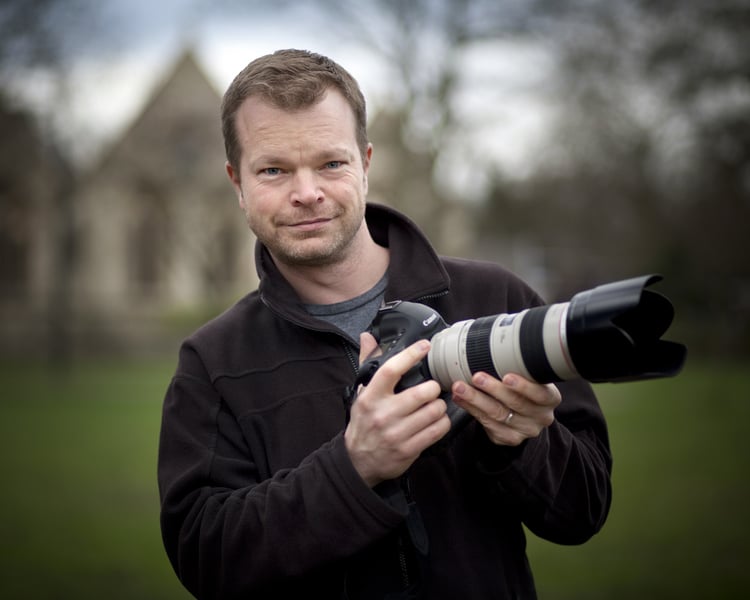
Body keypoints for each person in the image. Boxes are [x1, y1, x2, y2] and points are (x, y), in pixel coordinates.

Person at [157, 48, 612, 600]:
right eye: (274, 169)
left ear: (366, 163)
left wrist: (525, 446)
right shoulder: (212, 363)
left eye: (331, 163)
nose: (307, 192)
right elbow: (207, 559)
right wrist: (353, 468)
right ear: (237, 182)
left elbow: (584, 510)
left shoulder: (496, 299)